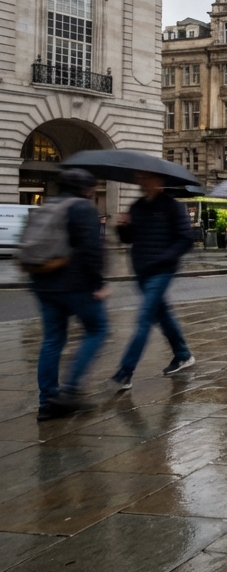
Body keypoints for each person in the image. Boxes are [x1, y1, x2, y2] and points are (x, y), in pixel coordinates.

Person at [26, 169, 108, 420]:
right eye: (92, 187)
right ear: (86, 189)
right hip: (75, 284)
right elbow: (91, 249)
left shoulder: (46, 206)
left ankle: (47, 402)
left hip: (43, 282)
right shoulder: (83, 208)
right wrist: (98, 284)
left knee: (52, 341)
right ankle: (70, 391)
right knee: (97, 329)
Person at [111, 171, 195, 389]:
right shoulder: (137, 207)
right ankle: (183, 354)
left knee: (144, 318)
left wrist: (164, 258)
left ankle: (125, 372)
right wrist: (122, 226)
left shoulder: (172, 207)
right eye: (140, 179)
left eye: (146, 178)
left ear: (158, 181)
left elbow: (186, 239)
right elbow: (128, 238)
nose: (142, 182)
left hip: (162, 271)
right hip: (142, 270)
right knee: (162, 315)